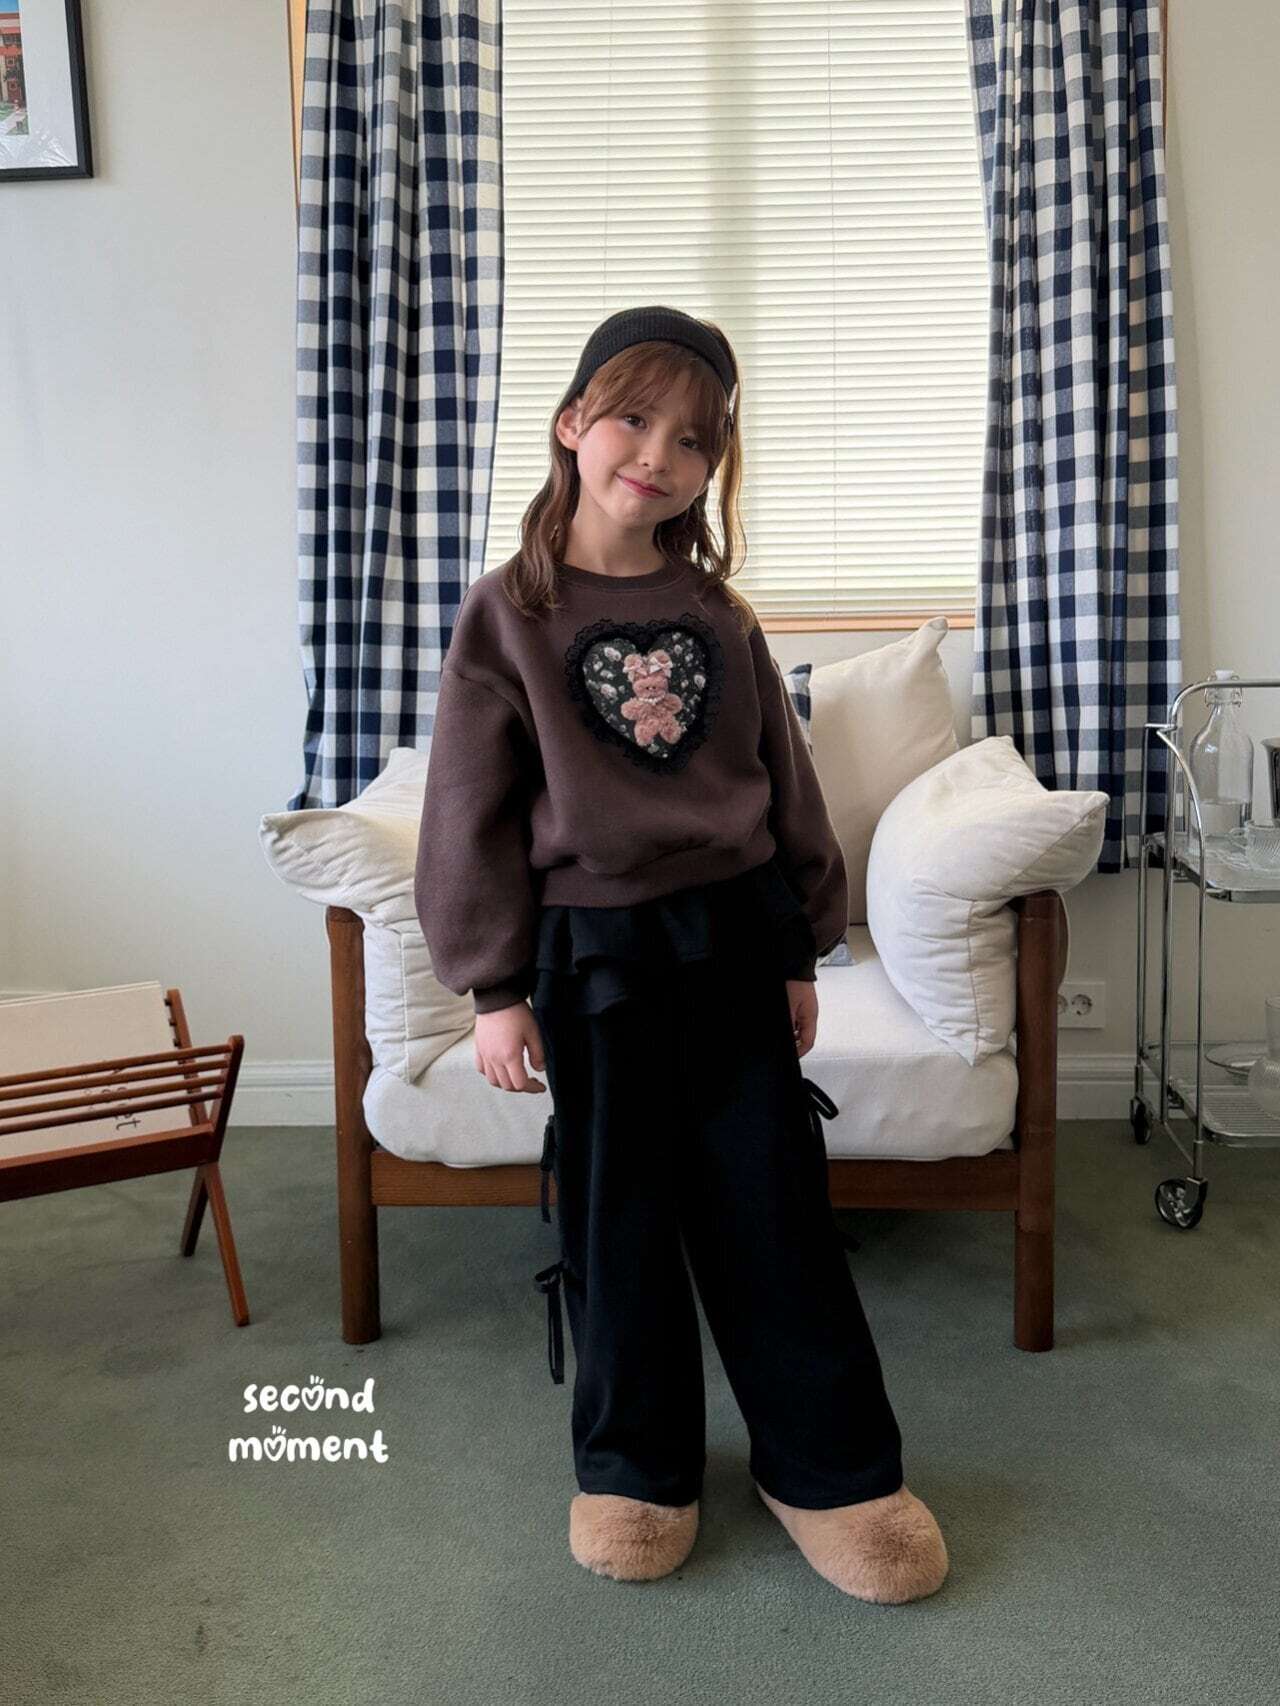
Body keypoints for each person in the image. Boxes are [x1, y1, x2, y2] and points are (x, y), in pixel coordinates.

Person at [414, 305, 948, 1604]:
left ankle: (831, 1470)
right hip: (591, 959)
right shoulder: (506, 616)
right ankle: (636, 1469)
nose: (658, 454)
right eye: (633, 419)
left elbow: (783, 783)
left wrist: (801, 950)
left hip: (733, 940)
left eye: (695, 439)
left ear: (715, 467)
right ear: (571, 425)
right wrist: (494, 987)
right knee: (620, 1219)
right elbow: (468, 812)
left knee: (774, 1211)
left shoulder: (717, 611)